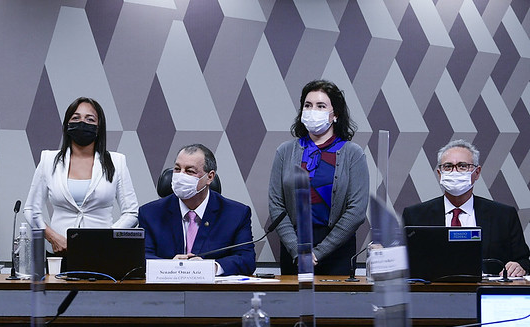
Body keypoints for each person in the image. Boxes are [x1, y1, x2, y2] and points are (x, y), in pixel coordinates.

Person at [269, 79, 369, 275]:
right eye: (308, 105)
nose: (312, 110)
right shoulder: (285, 151)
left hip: (337, 250)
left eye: (321, 106)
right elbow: (276, 204)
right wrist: (297, 250)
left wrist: (318, 253)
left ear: (335, 114)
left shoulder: (353, 154)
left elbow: (356, 211)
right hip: (294, 249)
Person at [24, 96, 138, 257]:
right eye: (76, 118)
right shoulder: (48, 160)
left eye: (90, 119)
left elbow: (131, 213)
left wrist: (107, 239)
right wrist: (52, 237)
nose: (82, 123)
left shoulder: (116, 161)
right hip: (59, 250)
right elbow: (31, 210)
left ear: (99, 127)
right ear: (67, 124)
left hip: (102, 251)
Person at [402, 139, 530, 276]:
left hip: (486, 288)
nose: (455, 171)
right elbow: (402, 263)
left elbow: (523, 260)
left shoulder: (503, 215)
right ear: (439, 174)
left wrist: (518, 266)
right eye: (448, 166)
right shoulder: (414, 216)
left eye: (462, 166)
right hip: (433, 288)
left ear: (477, 172)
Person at [138, 144, 255, 276]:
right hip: (166, 287)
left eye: (190, 171)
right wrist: (170, 266)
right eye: (177, 169)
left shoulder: (236, 214)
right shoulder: (150, 213)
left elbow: (246, 259)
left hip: (213, 288)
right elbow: (141, 258)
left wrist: (211, 267)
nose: (180, 176)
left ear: (209, 177)